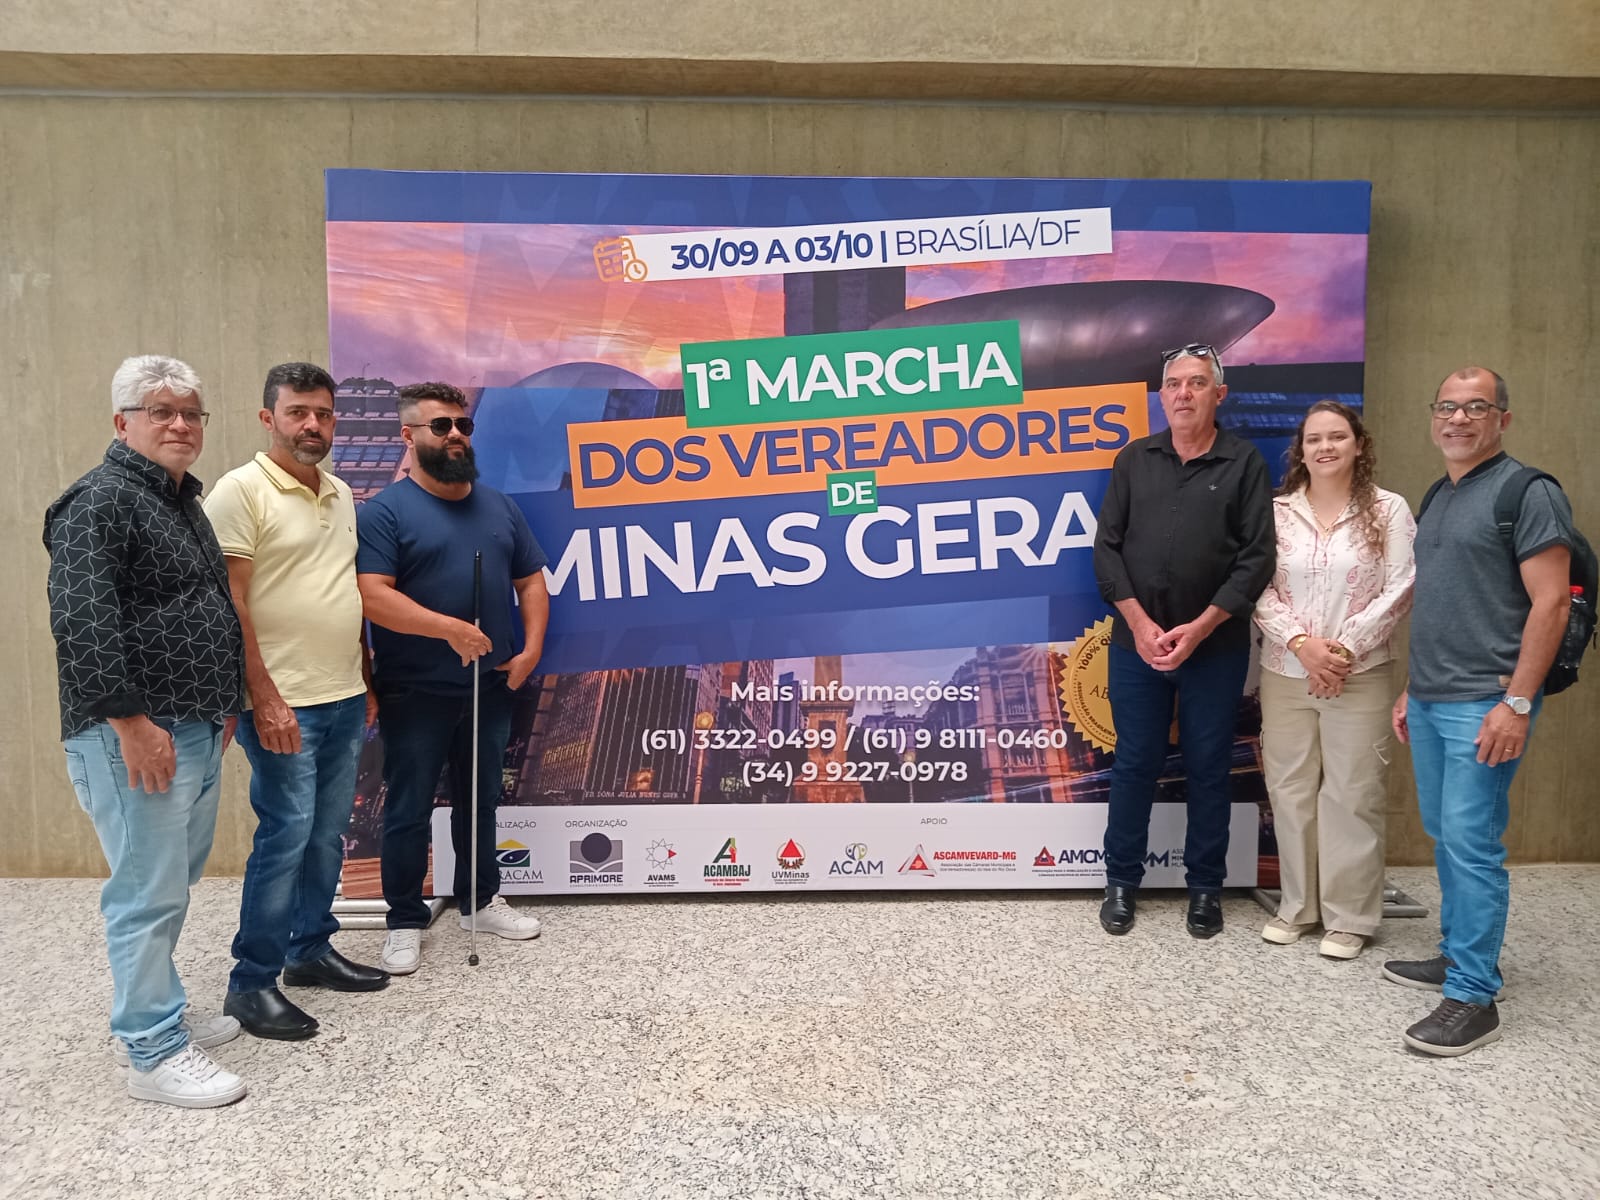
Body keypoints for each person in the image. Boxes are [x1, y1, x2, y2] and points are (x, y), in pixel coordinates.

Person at [44, 355, 247, 1108]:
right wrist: (132, 722)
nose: (180, 424)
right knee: (145, 889)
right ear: (121, 422)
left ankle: (160, 1005)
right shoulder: (97, 503)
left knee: (170, 879)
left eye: (191, 412)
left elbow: (197, 605)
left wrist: (219, 702)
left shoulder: (176, 499)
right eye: (160, 410)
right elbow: (83, 622)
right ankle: (152, 1050)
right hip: (133, 733)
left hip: (192, 725)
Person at [1388, 366, 1573, 1056]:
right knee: (1447, 833)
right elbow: (1443, 603)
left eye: (1475, 407)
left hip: (1486, 705)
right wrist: (1413, 685)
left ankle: (1472, 994)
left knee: (1472, 843)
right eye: (1447, 406)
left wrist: (1517, 702)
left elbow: (1551, 603)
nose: (1458, 419)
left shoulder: (1528, 493)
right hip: (1435, 698)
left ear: (1503, 418)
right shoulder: (1441, 495)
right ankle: (1455, 951)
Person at [203, 362, 389, 1042]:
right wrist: (263, 695)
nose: (312, 425)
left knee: (326, 831)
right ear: (268, 418)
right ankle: (251, 984)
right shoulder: (240, 492)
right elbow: (233, 604)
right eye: (297, 413)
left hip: (342, 695)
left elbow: (343, 594)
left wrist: (364, 676)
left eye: (323, 413)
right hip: (283, 703)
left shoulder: (340, 493)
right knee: (284, 837)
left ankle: (309, 948)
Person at [356, 381, 550, 975]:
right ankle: (405, 920)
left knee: (480, 800)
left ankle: (478, 899)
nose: (456, 435)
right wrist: (449, 629)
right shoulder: (384, 513)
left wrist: (530, 651)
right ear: (409, 436)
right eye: (441, 426)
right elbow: (371, 597)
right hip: (415, 689)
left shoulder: (499, 505)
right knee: (409, 806)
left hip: (490, 685)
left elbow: (531, 581)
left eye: (463, 425)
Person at [1092, 343, 1275, 938]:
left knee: (1208, 768)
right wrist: (1142, 627)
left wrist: (1199, 628)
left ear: (1219, 394)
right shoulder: (1133, 460)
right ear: (1162, 394)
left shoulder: (1243, 463)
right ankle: (1121, 882)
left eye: (1197, 383)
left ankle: (1205, 889)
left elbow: (1256, 560)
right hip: (1135, 647)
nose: (1184, 394)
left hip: (1214, 648)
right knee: (1135, 765)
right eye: (1174, 384)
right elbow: (1106, 550)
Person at [1254, 401, 1416, 960]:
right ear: (1300, 450)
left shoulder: (1389, 510)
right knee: (1291, 790)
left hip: (1360, 673)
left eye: (1337, 437)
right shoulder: (1275, 513)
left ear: (1359, 445)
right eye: (1314, 439)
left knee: (1353, 792)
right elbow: (1256, 585)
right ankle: (1298, 907)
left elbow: (1400, 588)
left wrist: (1341, 650)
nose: (1325, 447)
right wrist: (1303, 645)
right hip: (1284, 672)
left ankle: (1349, 916)